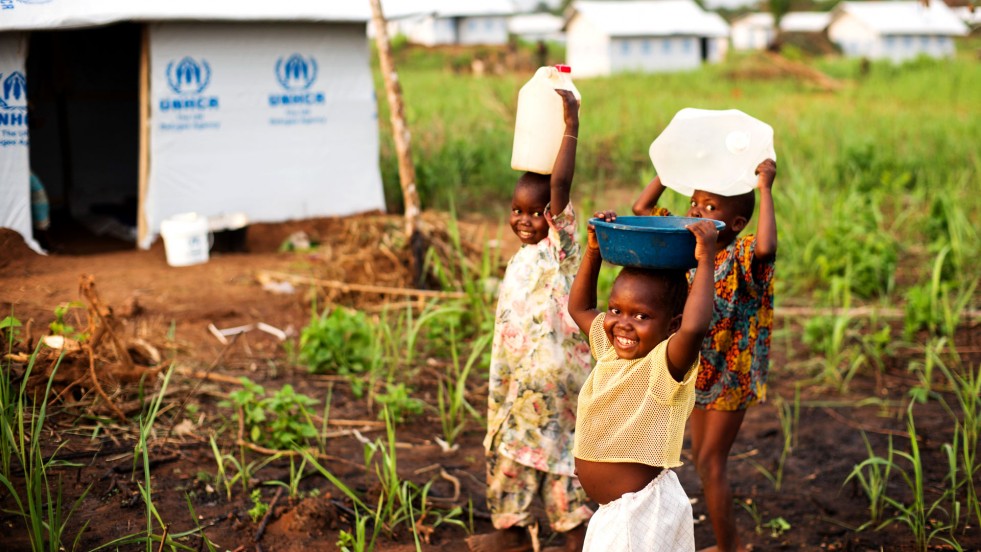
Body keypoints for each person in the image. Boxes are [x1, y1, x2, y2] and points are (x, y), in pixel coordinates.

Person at [467, 89, 592, 552]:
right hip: (517, 390)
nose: (524, 220)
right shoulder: (522, 258)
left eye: (535, 213)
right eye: (516, 211)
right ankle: (513, 535)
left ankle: (575, 537)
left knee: (564, 472)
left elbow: (559, 190)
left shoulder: (560, 254)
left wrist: (570, 126)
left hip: (558, 396)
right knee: (510, 463)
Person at [631, 159, 777, 552]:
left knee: (711, 463)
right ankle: (727, 545)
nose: (695, 212)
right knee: (701, 459)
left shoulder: (743, 255)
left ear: (736, 224)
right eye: (694, 203)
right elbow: (643, 210)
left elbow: (768, 247)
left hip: (731, 374)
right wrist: (670, 167)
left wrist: (764, 187)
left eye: (710, 208)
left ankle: (730, 547)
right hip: (697, 371)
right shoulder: (687, 245)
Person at [568, 211, 719, 551]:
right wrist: (594, 251)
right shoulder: (609, 349)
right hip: (615, 513)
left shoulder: (664, 365)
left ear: (671, 325)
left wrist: (705, 259)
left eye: (641, 316)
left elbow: (695, 328)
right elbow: (579, 307)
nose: (622, 323)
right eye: (616, 309)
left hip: (640, 512)